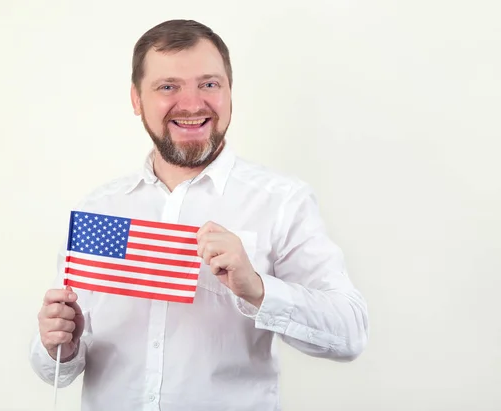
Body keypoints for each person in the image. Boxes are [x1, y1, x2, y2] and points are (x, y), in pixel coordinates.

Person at [29, 19, 369, 411]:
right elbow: (58, 364)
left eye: (209, 84)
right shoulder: (100, 208)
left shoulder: (282, 201)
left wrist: (257, 289)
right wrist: (61, 346)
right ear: (136, 100)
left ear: (228, 93)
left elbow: (350, 332)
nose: (192, 104)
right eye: (168, 86)